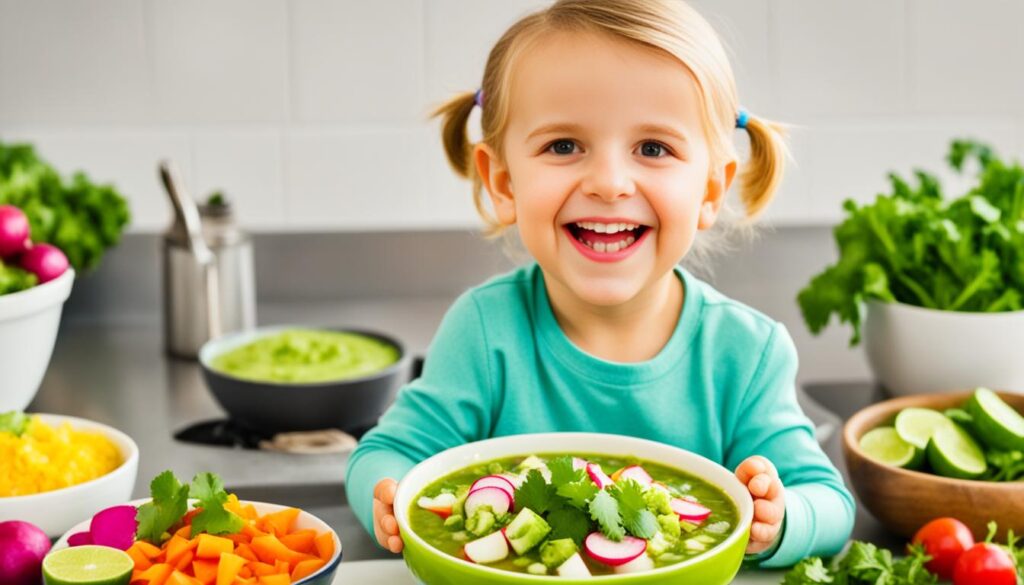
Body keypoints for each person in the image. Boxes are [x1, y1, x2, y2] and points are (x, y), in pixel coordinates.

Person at [346, 0, 854, 568]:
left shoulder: (745, 353)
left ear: (711, 191)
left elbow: (829, 502)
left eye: (653, 148)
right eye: (563, 146)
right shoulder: (485, 331)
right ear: (504, 181)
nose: (610, 183)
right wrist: (389, 500)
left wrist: (782, 520)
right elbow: (387, 454)